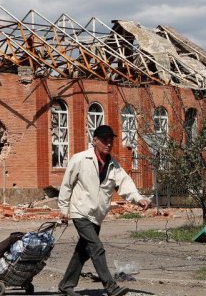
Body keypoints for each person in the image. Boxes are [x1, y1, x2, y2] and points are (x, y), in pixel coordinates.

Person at [58, 124, 150, 296]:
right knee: (96, 247)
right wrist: (63, 209)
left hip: (97, 215)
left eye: (110, 141)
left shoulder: (113, 165)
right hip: (80, 212)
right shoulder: (80, 159)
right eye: (104, 140)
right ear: (94, 141)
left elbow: (125, 183)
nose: (108, 144)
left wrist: (139, 198)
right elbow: (66, 185)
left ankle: (66, 284)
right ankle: (110, 286)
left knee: (83, 251)